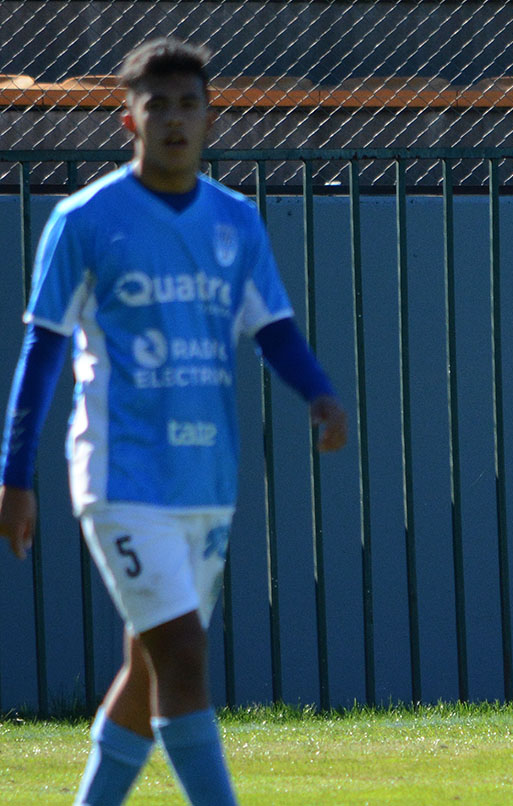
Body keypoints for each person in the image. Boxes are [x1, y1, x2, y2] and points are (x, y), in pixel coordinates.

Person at [0, 38, 348, 805]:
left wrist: (319, 394)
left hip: (207, 480)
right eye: (157, 105)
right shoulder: (84, 219)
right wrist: (13, 477)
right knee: (184, 657)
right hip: (119, 476)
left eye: (189, 104)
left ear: (211, 118)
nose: (175, 120)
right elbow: (42, 349)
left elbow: (275, 329)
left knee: (150, 670)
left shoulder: (237, 221)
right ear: (129, 121)